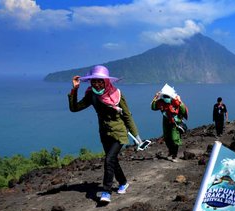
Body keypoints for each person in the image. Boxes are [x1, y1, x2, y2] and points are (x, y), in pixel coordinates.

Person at [68, 65, 142, 203]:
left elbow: (127, 116)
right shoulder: (91, 94)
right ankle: (123, 182)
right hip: (104, 132)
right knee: (112, 159)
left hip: (119, 132)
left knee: (108, 160)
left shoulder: (117, 94)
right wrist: (75, 89)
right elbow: (74, 108)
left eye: (100, 81)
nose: (96, 83)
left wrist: (137, 137)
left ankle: (106, 192)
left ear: (106, 81)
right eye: (94, 81)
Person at [151, 83, 188, 162]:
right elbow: (153, 107)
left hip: (175, 123)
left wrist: (180, 101)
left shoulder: (176, 102)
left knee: (175, 139)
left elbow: (183, 111)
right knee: (167, 138)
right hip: (166, 122)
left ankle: (174, 155)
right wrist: (155, 97)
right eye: (164, 96)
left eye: (167, 96)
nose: (166, 98)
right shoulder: (161, 102)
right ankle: (171, 152)